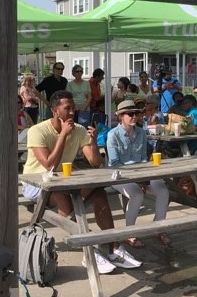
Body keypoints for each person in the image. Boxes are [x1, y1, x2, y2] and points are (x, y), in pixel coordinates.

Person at [27, 92, 133, 270]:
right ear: (55, 111)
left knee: (99, 193)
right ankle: (90, 250)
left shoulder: (79, 130)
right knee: (63, 199)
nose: (71, 113)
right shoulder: (37, 131)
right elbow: (48, 165)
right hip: (36, 183)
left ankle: (113, 246)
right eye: (66, 108)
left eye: (73, 108)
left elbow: (95, 163)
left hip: (65, 180)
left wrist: (92, 142)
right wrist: (62, 135)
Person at [105, 100, 172, 251]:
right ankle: (130, 233)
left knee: (163, 190)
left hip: (141, 173)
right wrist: (138, 177)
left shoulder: (141, 132)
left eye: (136, 113)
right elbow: (115, 163)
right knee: (136, 194)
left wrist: (143, 177)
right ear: (121, 116)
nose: (134, 116)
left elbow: (143, 158)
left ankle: (159, 227)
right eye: (130, 114)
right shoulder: (112, 135)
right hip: (119, 176)